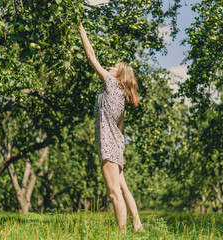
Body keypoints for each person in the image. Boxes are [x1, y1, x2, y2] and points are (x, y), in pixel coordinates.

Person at [78, 21, 144, 233]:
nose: (110, 67)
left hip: (108, 144)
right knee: (122, 187)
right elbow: (120, 126)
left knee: (113, 193)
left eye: (114, 66)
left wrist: (81, 29)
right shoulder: (122, 97)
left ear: (119, 75)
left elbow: (90, 55)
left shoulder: (111, 83)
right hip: (116, 143)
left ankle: (122, 233)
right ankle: (138, 225)